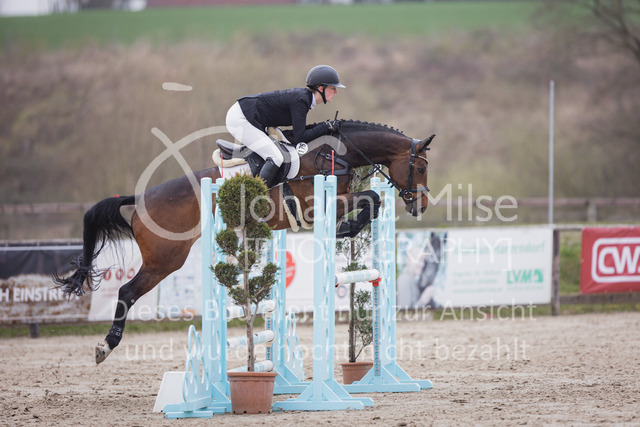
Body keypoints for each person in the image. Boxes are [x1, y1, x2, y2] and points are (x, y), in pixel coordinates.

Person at [225, 64, 345, 187]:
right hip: (240, 118)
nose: (336, 92)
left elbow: (300, 131)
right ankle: (256, 193)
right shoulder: (301, 100)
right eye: (333, 88)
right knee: (275, 157)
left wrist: (325, 126)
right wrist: (325, 126)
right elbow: (300, 137)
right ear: (321, 88)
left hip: (249, 116)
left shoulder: (304, 99)